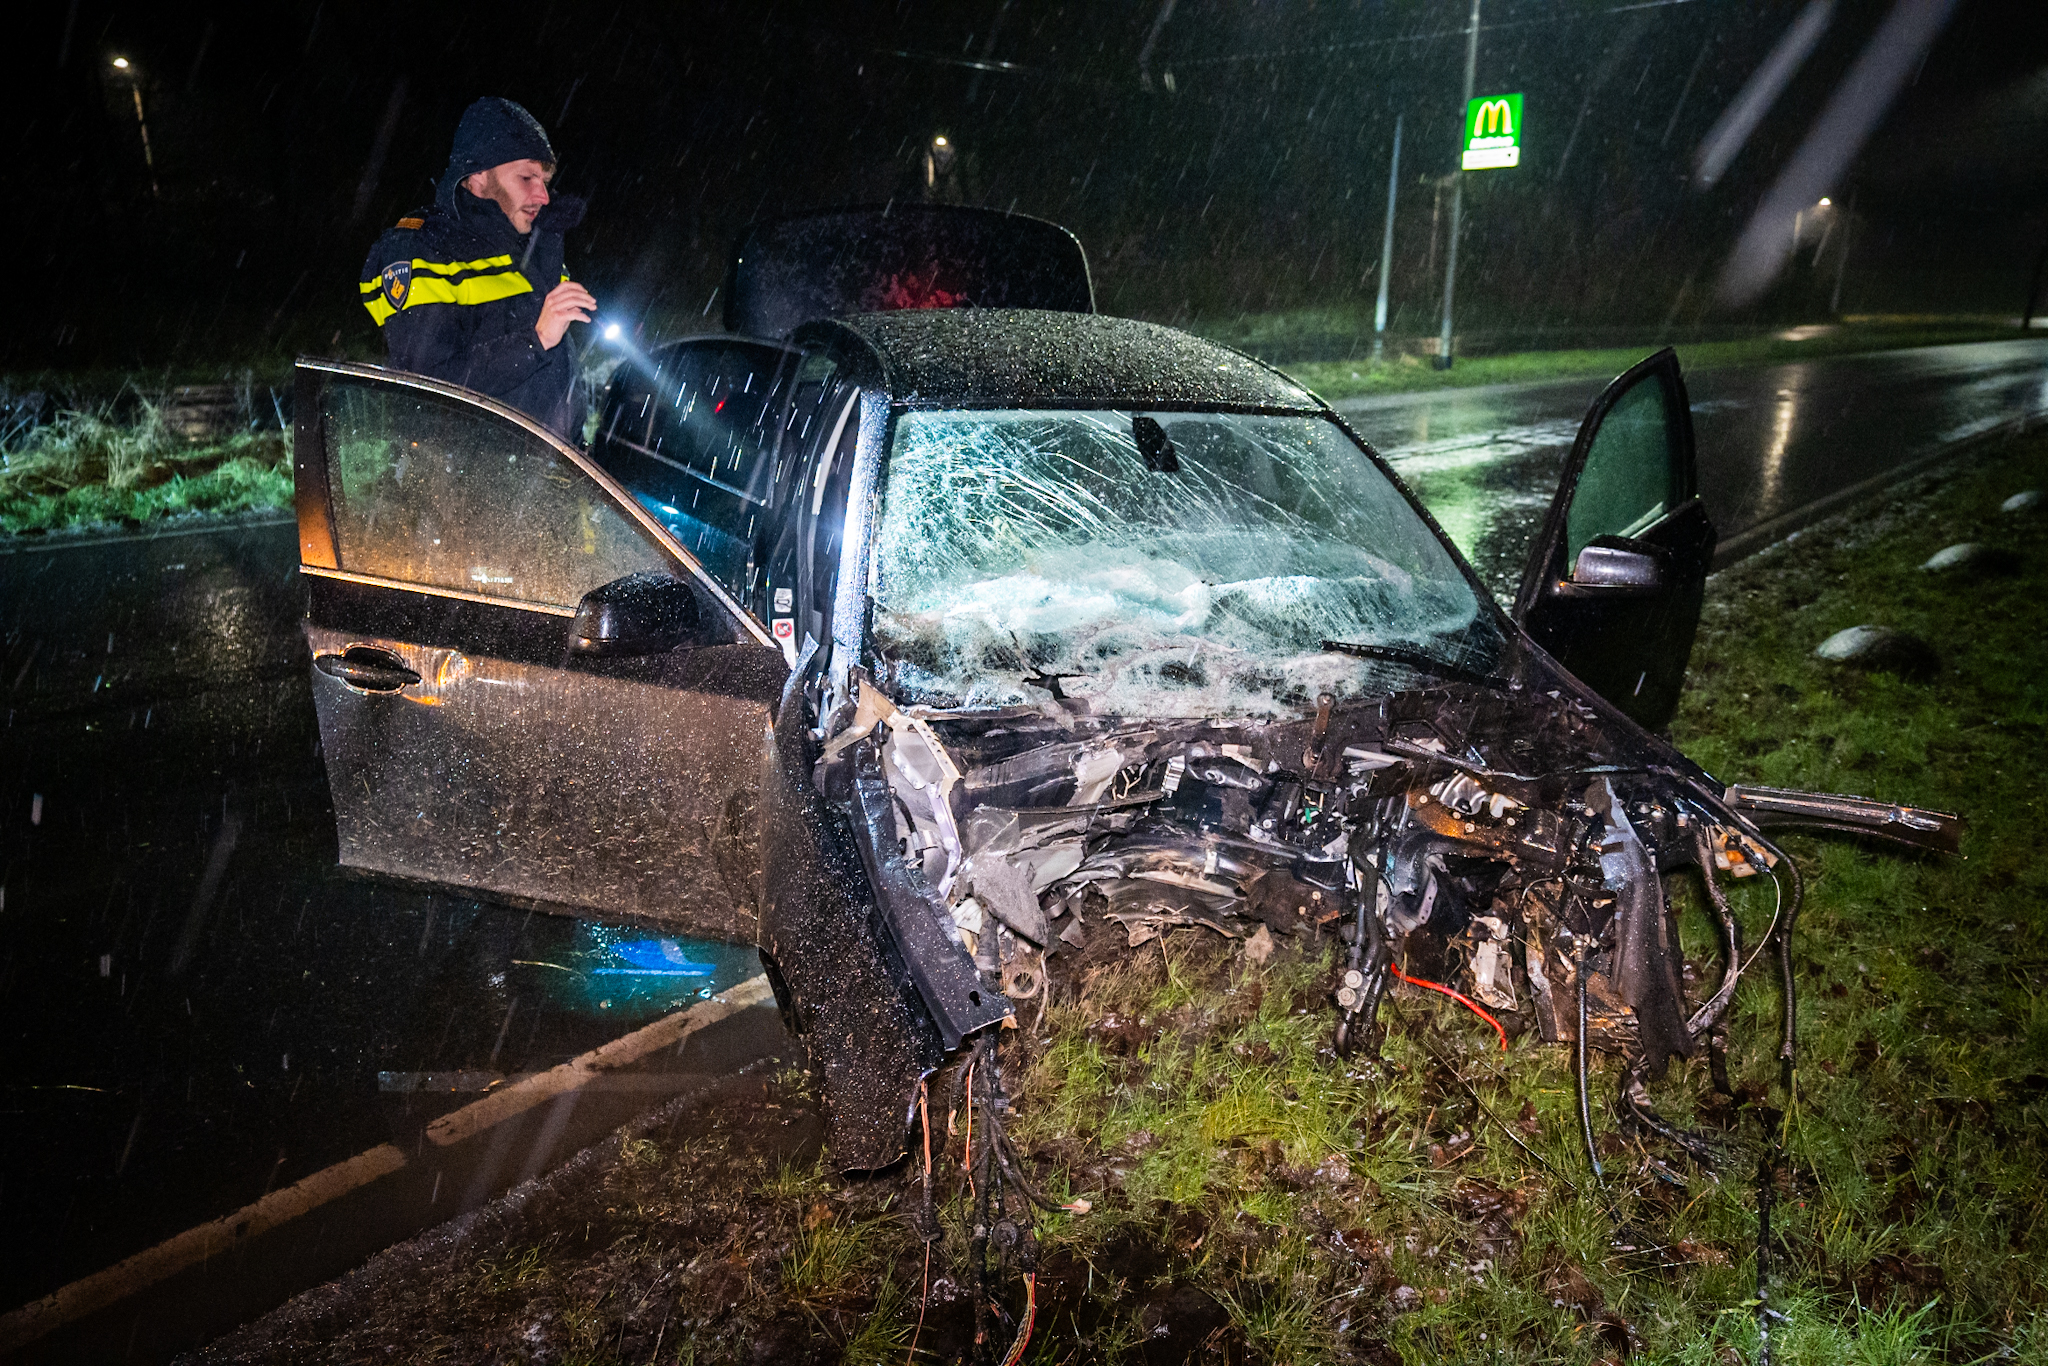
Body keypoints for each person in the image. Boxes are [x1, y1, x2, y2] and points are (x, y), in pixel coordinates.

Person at [359, 98, 595, 439]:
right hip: (462, 483)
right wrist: (536, 340)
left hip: (544, 476)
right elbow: (430, 389)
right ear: (478, 177)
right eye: (527, 177)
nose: (543, 196)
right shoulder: (421, 250)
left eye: (544, 180)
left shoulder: (533, 244)